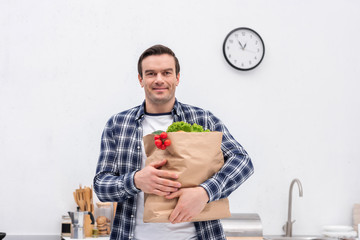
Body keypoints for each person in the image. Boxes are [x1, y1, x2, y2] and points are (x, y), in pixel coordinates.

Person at [93, 44, 254, 240]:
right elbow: (101, 185)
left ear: (177, 78)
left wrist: (205, 192)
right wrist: (136, 180)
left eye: (166, 73)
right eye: (151, 73)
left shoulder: (202, 119)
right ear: (140, 79)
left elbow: (243, 161)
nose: (159, 79)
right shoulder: (118, 124)